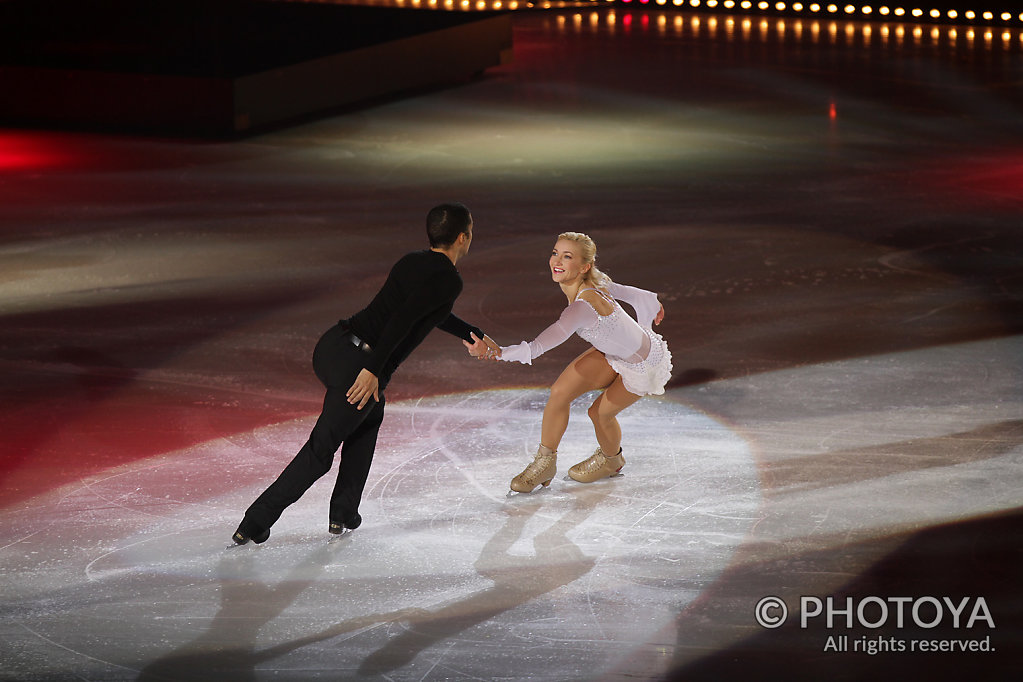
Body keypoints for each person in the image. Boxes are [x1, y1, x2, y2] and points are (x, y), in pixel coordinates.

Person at [232, 203, 499, 545]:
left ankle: (344, 512)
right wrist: (372, 370)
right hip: (359, 365)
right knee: (321, 450)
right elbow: (404, 319)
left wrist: (470, 333)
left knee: (370, 414)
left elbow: (427, 312)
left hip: (334, 346)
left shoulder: (412, 261)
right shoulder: (448, 278)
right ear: (463, 237)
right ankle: (255, 521)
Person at [490, 231, 671, 493]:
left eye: (567, 257)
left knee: (598, 414)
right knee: (559, 392)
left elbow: (538, 347)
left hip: (644, 365)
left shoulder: (581, 307)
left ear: (584, 266)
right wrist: (653, 302)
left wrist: (499, 352)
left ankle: (612, 460)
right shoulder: (598, 281)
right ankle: (545, 463)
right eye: (555, 253)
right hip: (614, 353)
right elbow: (633, 294)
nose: (557, 261)